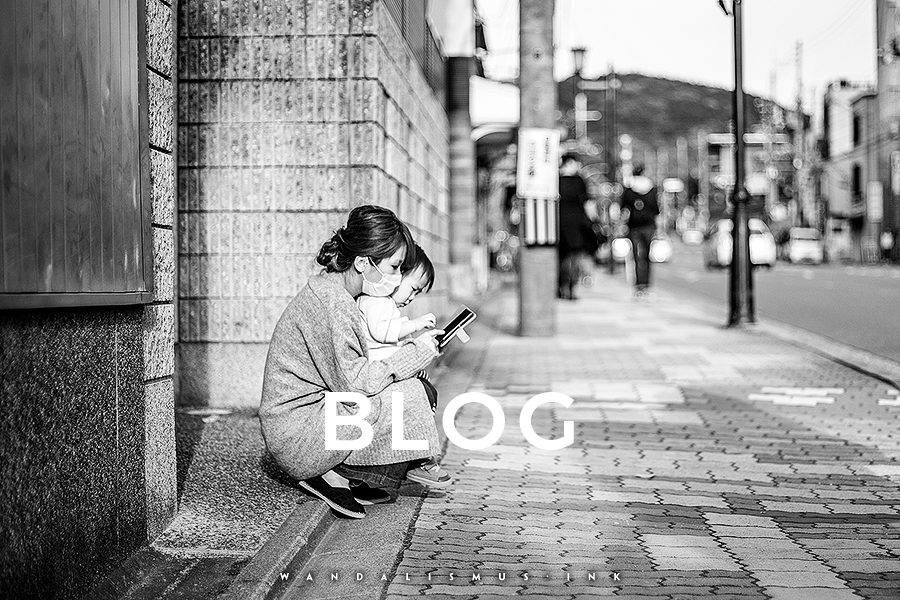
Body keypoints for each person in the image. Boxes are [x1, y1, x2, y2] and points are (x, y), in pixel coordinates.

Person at [259, 205, 444, 519]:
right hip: (300, 436)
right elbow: (357, 384)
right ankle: (331, 471)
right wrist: (416, 353)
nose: (397, 278)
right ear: (362, 262)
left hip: (309, 419)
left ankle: (357, 473)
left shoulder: (335, 292)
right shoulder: (334, 305)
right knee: (413, 395)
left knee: (412, 391)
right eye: (394, 267)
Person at [357, 243, 452, 488]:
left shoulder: (385, 304)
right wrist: (416, 324)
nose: (411, 297)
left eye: (416, 294)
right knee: (421, 395)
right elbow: (385, 331)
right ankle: (418, 460)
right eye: (412, 289)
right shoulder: (375, 301)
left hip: (386, 372)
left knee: (425, 392)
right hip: (377, 376)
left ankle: (418, 458)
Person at [557, 154, 598, 300]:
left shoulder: (555, 180)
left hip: (558, 221)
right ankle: (571, 288)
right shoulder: (578, 180)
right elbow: (587, 203)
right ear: (570, 162)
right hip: (576, 222)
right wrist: (594, 221)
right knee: (575, 255)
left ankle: (560, 286)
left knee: (560, 255)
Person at [620, 163, 660, 297]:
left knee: (637, 256)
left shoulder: (629, 189)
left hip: (634, 226)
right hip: (648, 225)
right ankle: (646, 285)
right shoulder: (652, 189)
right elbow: (656, 210)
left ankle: (638, 286)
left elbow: (623, 209)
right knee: (647, 256)